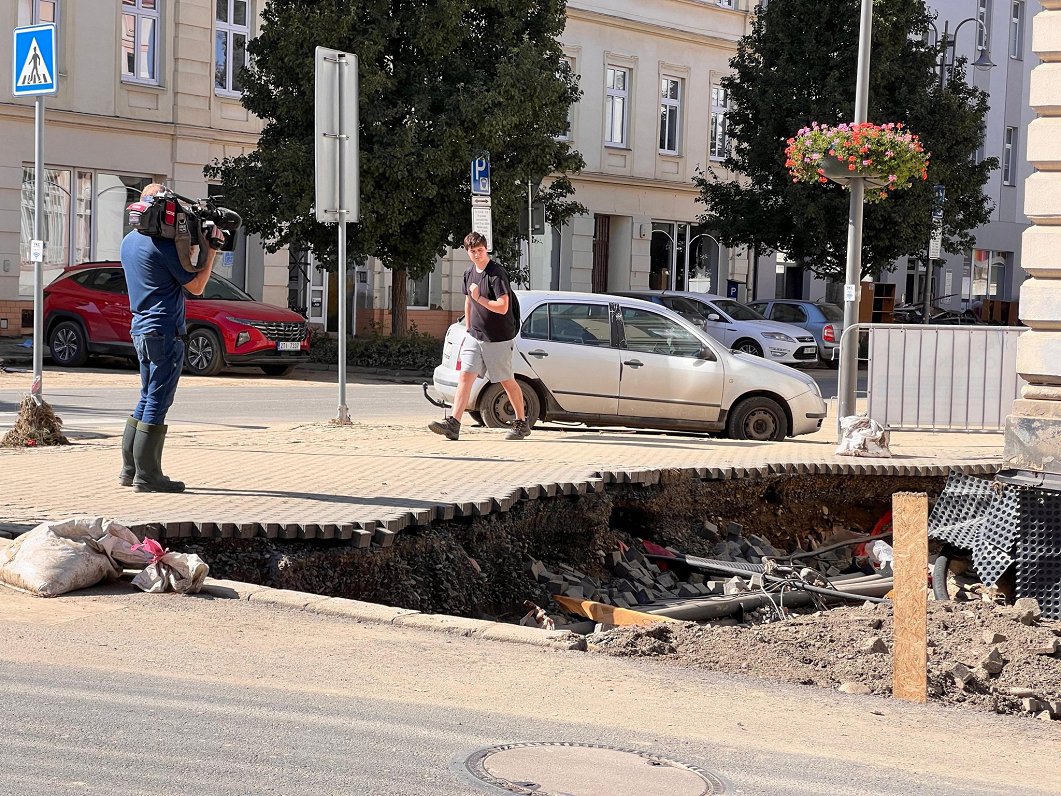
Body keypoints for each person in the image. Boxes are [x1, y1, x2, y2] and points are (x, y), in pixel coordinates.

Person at [118, 184, 216, 492]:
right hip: (164, 330)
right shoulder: (162, 245)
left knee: (146, 397)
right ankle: (148, 476)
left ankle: (129, 469)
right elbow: (197, 286)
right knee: (158, 400)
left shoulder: (129, 241)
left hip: (141, 327)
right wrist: (210, 248)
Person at [428, 231, 529, 441]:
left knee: (505, 380)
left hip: (498, 337)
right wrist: (468, 327)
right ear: (467, 252)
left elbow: (502, 307)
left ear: (486, 249)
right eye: (472, 251)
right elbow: (468, 301)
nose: (477, 255)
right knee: (465, 376)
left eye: (480, 250)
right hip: (475, 336)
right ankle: (453, 424)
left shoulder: (496, 273)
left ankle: (521, 423)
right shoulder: (469, 273)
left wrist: (479, 298)